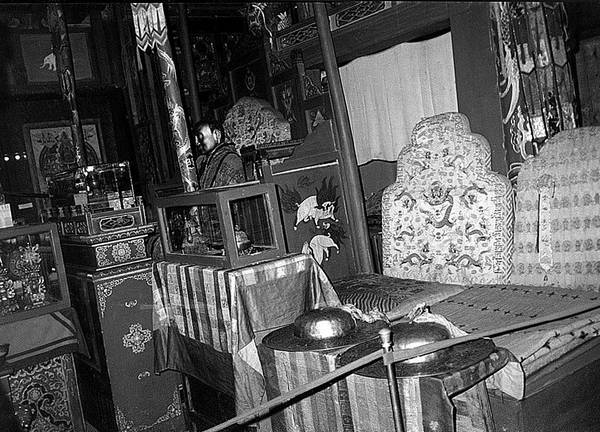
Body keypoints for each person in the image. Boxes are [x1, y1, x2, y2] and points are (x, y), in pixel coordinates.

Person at [193, 121, 245, 189]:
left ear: (216, 134)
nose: (196, 142)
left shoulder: (231, 159)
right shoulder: (200, 161)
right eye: (195, 139)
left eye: (200, 137)